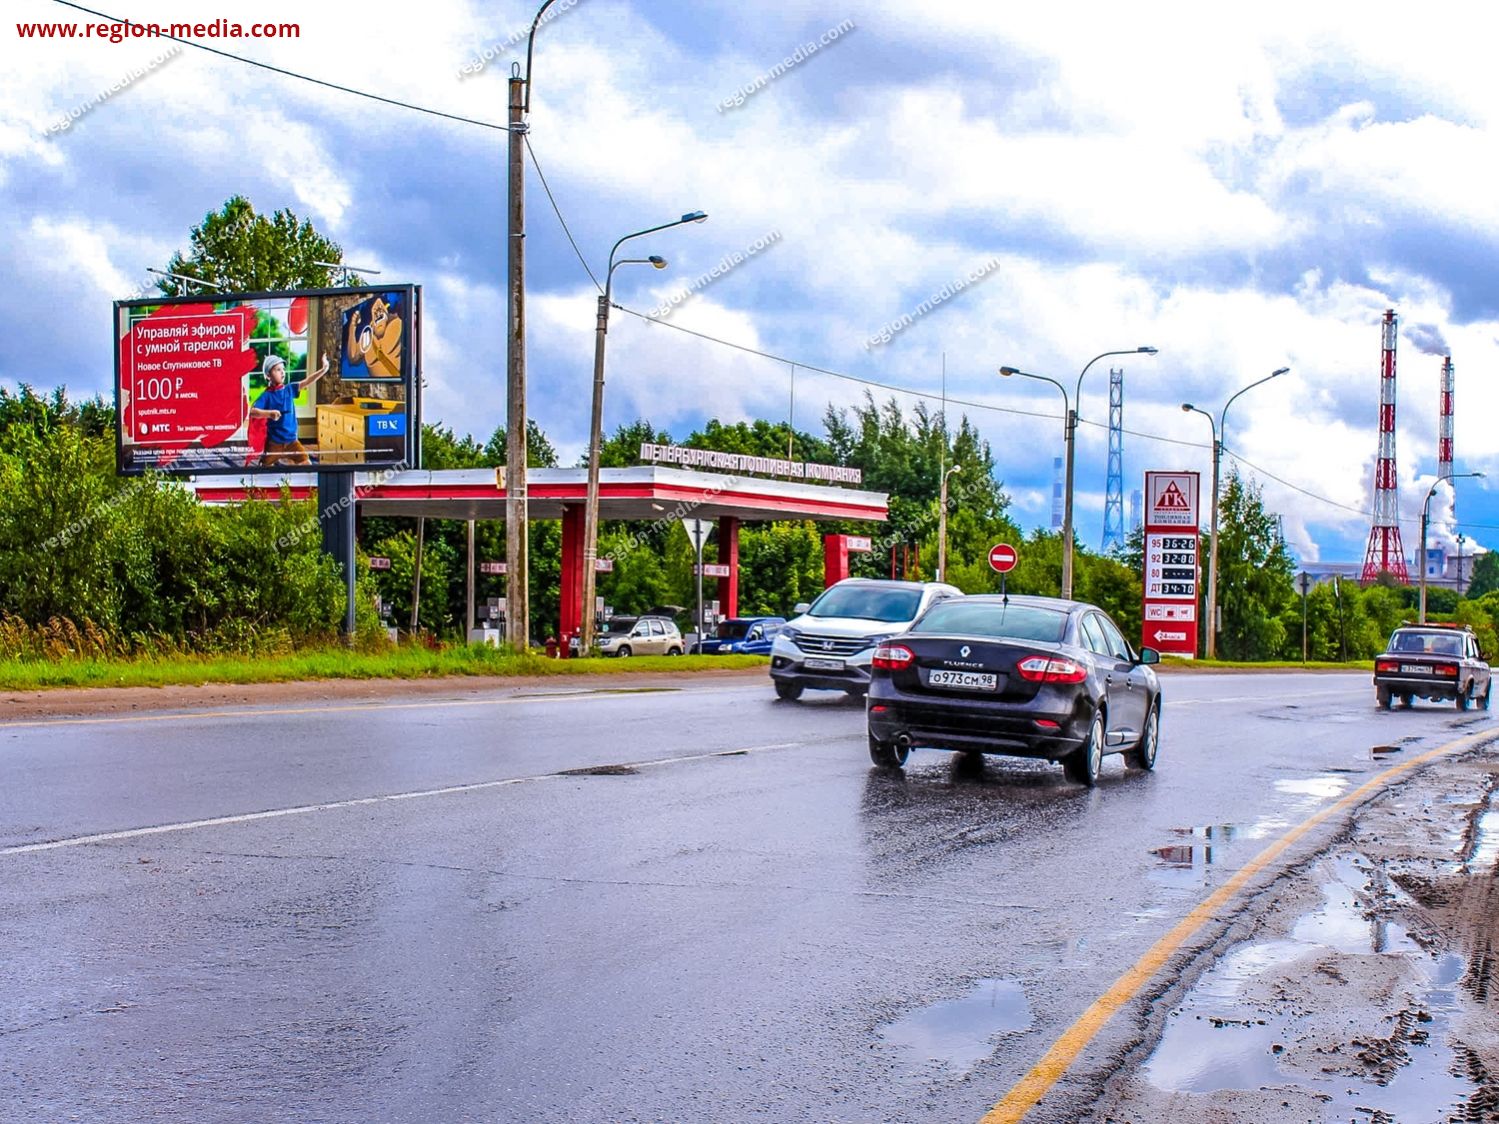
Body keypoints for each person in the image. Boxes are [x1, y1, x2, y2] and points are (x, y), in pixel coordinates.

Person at [250, 352, 328, 466]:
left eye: (283, 369)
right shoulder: (266, 395)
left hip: (292, 441)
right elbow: (252, 412)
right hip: (274, 443)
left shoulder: (290, 389)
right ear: (268, 375)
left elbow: (307, 381)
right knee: (264, 468)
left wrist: (323, 370)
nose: (282, 372)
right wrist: (269, 414)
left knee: (307, 464)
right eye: (277, 369)